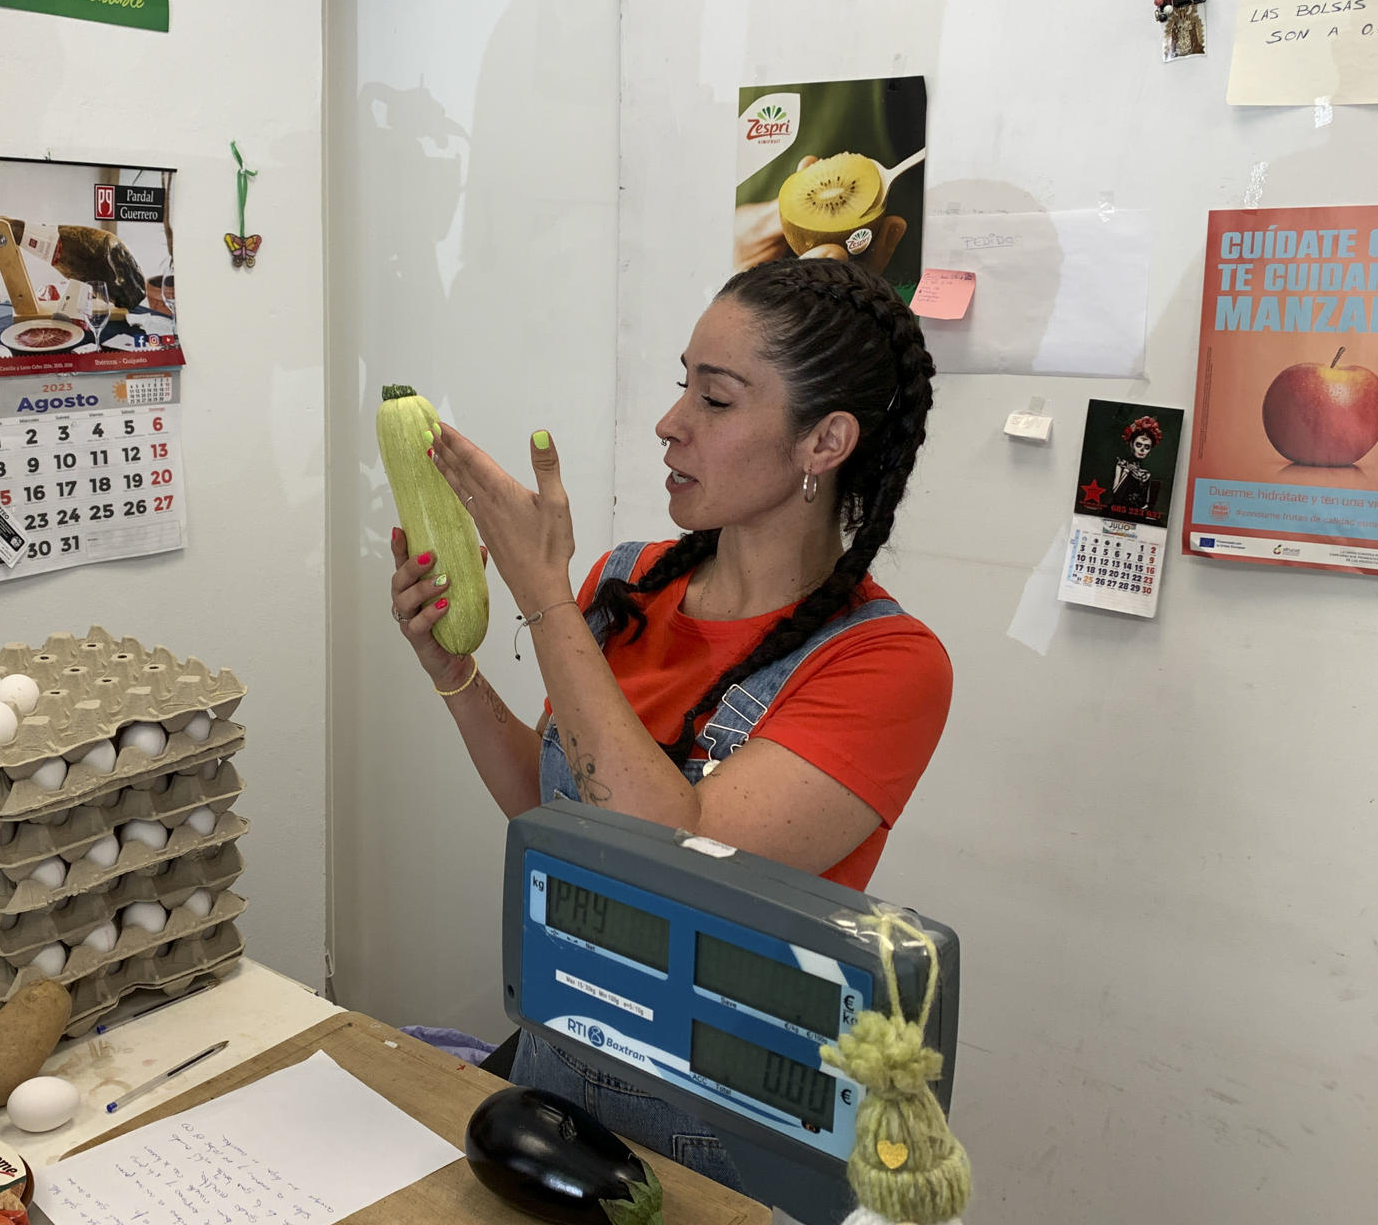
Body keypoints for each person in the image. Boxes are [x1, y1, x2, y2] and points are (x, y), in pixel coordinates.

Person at [384, 255, 952, 1191]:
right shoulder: (626, 582)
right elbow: (550, 811)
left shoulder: (888, 666)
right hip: (562, 1073)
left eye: (716, 400)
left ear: (825, 442)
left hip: (727, 1141)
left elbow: (679, 872)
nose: (669, 423)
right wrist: (456, 677)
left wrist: (542, 601)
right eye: (680, 384)